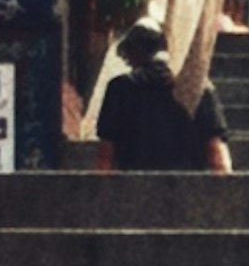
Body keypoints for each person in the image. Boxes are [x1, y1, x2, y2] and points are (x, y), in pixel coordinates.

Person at [88, 16, 231, 175]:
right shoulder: (199, 88)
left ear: (133, 53)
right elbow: (217, 156)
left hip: (133, 189)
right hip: (189, 190)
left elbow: (105, 157)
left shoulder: (119, 89)